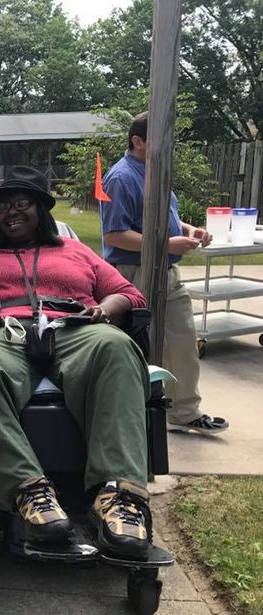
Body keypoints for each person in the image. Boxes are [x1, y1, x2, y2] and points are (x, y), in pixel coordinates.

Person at [0, 166, 155, 558]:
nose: (11, 212)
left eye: (22, 203)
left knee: (115, 347)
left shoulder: (75, 251)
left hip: (75, 327)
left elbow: (128, 295)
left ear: (42, 210)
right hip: (4, 332)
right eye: (2, 207)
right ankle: (30, 492)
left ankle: (118, 495)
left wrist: (102, 309)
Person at [101, 112, 229, 436]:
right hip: (133, 274)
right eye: (162, 139)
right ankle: (130, 416)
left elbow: (166, 218)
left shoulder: (155, 173)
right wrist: (165, 243)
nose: (169, 146)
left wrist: (189, 229)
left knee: (184, 339)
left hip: (166, 272)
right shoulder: (120, 177)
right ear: (138, 141)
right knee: (136, 346)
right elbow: (114, 235)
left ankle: (185, 412)